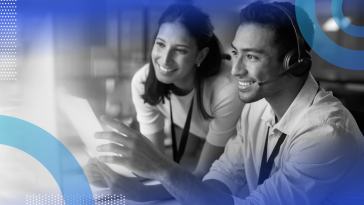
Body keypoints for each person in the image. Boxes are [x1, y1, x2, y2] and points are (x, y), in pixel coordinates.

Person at [86, 1, 364, 204]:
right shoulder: (256, 107)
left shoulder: (326, 133)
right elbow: (223, 178)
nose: (235, 69)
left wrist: (162, 169)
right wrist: (153, 189)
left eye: (252, 57)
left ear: (295, 63)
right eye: (235, 53)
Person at [129, 3, 243, 177]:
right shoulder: (142, 82)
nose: (165, 60)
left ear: (200, 55)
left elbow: (204, 173)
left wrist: (143, 192)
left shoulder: (227, 87)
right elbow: (154, 165)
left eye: (180, 50)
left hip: (251, 159)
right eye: (160, 44)